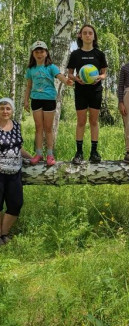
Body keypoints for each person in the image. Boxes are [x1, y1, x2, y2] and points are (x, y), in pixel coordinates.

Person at [24, 41, 73, 166]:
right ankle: (38, 154)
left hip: (49, 99)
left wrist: (66, 81)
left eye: (42, 51)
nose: (39, 54)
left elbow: (60, 76)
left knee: (48, 128)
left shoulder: (51, 67)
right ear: (33, 54)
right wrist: (26, 100)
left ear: (46, 53)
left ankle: (50, 155)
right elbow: (29, 86)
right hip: (36, 100)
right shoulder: (30, 69)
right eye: (37, 52)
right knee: (38, 128)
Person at [67, 24, 108, 165]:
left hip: (95, 91)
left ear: (94, 36)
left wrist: (100, 77)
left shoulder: (99, 54)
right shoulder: (75, 54)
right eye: (84, 33)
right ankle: (79, 153)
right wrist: (76, 79)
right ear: (80, 36)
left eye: (90, 33)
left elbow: (104, 73)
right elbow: (70, 73)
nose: (88, 35)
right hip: (80, 91)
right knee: (81, 122)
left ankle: (94, 152)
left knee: (94, 122)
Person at [0, 98, 32, 245]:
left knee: (16, 204)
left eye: (8, 108)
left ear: (12, 111)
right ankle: (1, 236)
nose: (5, 111)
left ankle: (3, 233)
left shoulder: (17, 126)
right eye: (2, 108)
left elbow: (18, 147)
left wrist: (32, 158)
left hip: (15, 172)